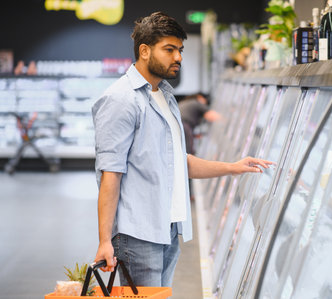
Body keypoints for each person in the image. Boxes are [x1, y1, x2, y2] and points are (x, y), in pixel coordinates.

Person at [92, 11, 272, 288]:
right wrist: (105, 240)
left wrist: (234, 167)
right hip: (137, 235)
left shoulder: (165, 95)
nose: (178, 57)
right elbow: (110, 174)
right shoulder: (120, 100)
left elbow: (178, 162)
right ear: (144, 50)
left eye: (180, 50)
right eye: (169, 49)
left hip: (168, 228)